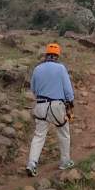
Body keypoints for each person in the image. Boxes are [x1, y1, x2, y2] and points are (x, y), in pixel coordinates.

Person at [26, 43, 75, 177]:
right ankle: (65, 161)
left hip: (41, 105)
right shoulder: (60, 68)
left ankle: (32, 163)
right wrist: (70, 102)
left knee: (39, 135)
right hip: (57, 106)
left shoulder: (37, 69)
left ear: (46, 54)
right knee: (63, 132)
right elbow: (67, 89)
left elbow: (34, 89)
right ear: (57, 55)